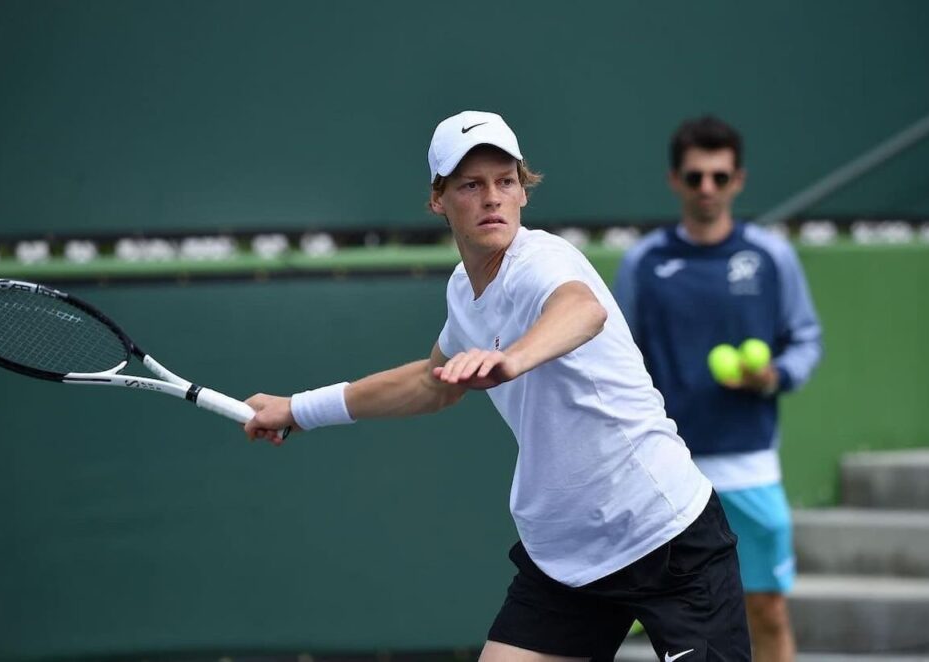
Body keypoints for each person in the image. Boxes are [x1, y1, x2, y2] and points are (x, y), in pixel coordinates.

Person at [244, 110, 750, 661]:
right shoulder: (464, 292)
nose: (492, 197)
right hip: (566, 554)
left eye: (505, 182)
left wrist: (511, 360)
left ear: (523, 192)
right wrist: (298, 408)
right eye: (471, 185)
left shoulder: (542, 261)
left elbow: (581, 309)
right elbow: (430, 382)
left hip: (664, 533)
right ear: (439, 199)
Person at [614, 115, 822, 662]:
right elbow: (619, 359)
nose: (707, 188)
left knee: (768, 610)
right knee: (678, 631)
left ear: (739, 180)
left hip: (751, 466)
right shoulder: (643, 263)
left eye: (719, 176)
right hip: (666, 471)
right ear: (675, 181)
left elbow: (805, 339)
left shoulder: (772, 256)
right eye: (695, 176)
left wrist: (774, 375)